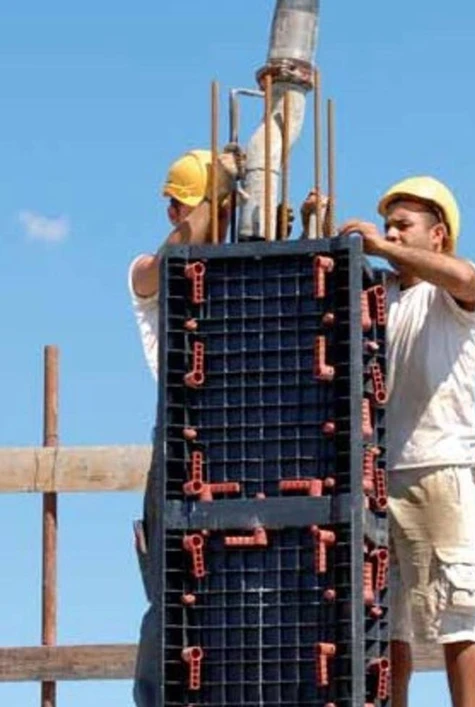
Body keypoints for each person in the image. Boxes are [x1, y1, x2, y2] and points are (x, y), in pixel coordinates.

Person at [338, 177, 475, 707]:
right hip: (382, 476)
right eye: (387, 227)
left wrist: (376, 247)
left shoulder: (452, 294)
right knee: (388, 619)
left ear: (439, 236)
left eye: (404, 226)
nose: (391, 235)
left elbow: (466, 276)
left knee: (457, 609)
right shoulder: (386, 298)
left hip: (439, 466)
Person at [128, 147, 238, 707]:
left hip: (240, 441)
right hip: (180, 437)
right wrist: (219, 189)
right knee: (172, 589)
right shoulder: (153, 273)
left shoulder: (247, 274)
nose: (223, 221)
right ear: (177, 212)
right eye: (214, 210)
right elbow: (175, 251)